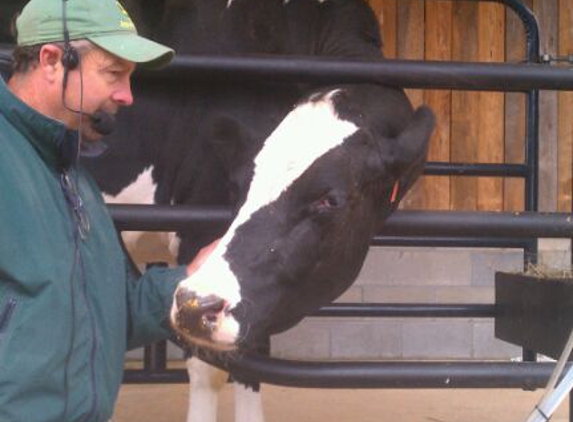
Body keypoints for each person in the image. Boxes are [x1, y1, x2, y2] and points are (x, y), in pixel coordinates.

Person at [0, 0, 212, 421]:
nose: (128, 96)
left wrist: (188, 280)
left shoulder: (74, 179)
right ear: (52, 60)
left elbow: (107, 315)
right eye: (113, 73)